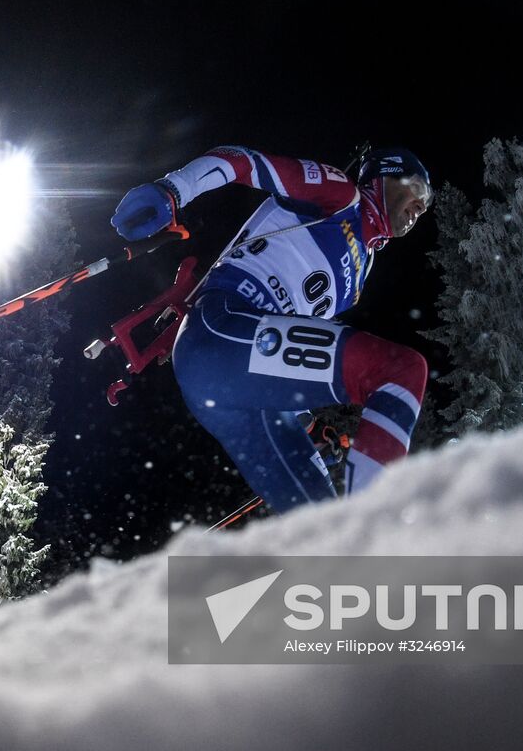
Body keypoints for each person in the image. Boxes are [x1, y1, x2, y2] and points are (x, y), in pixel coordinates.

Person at [111, 145, 432, 512]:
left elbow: (290, 351)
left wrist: (306, 428)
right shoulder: (343, 196)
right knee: (398, 371)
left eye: (427, 202)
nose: (421, 207)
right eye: (418, 190)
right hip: (222, 325)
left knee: (323, 524)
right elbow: (245, 162)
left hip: (246, 390)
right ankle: (380, 527)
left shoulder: (360, 276)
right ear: (383, 178)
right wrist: (174, 190)